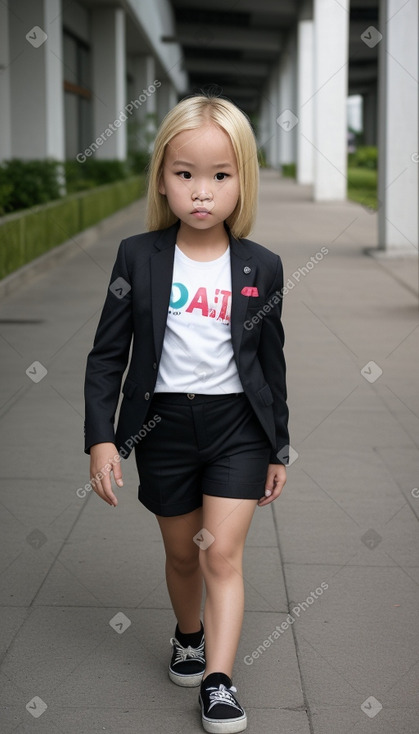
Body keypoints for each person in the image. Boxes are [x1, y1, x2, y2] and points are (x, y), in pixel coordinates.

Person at [84, 93, 289, 734]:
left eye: (220, 176)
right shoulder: (137, 257)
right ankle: (188, 632)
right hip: (162, 427)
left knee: (220, 555)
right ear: (163, 180)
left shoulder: (262, 266)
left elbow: (271, 365)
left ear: (241, 181)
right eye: (186, 175)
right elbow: (106, 355)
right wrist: (102, 440)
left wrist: (278, 446)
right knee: (182, 555)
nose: (202, 192)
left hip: (237, 430)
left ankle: (219, 681)